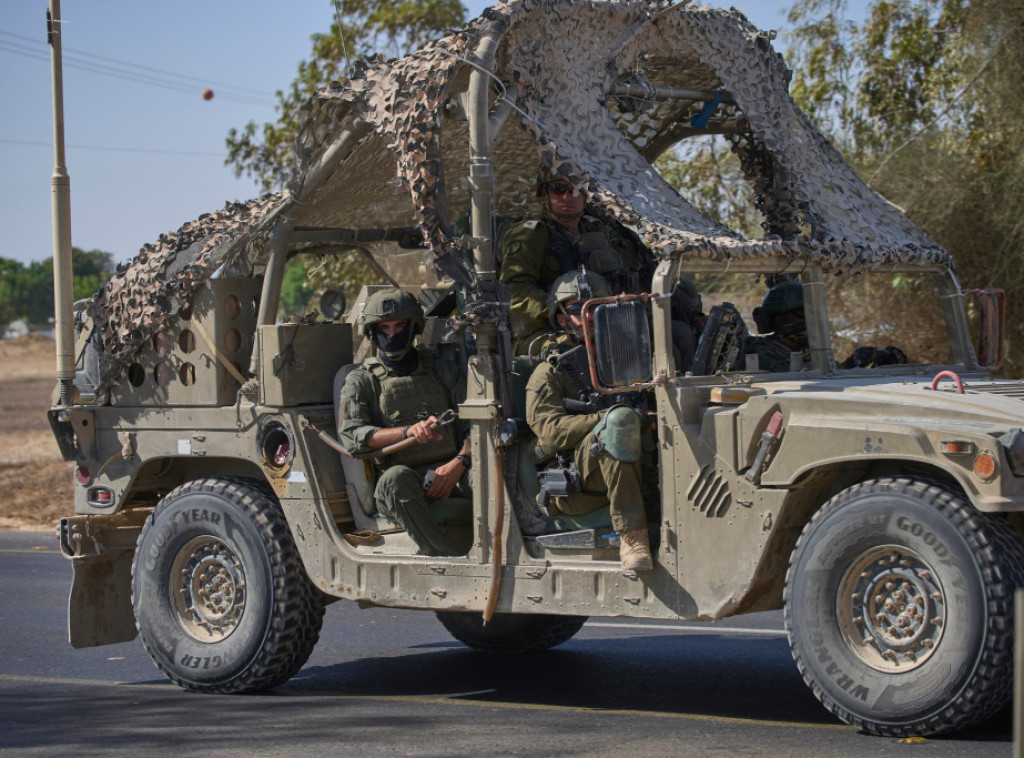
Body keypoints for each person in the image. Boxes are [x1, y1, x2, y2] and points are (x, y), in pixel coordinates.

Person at [525, 270, 654, 571]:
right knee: (619, 421)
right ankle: (632, 537)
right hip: (577, 481)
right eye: (577, 310)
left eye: (596, 307)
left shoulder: (632, 359)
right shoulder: (549, 372)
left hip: (632, 465)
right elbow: (552, 434)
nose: (590, 316)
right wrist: (606, 418)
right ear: (561, 319)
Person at [337, 288, 472, 556]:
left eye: (399, 326)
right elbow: (352, 436)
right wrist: (408, 432)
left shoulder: (439, 369)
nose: (391, 334)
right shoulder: (362, 380)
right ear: (372, 332)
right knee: (394, 480)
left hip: (455, 469)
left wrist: (461, 462)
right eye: (383, 327)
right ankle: (446, 559)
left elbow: (475, 425)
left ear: (413, 327)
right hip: (403, 483)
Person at [499, 167, 656, 355]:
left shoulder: (596, 230)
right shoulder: (530, 234)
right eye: (558, 189)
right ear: (544, 193)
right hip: (543, 331)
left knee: (669, 335)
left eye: (576, 190)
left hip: (596, 321)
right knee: (580, 349)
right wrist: (562, 311)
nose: (567, 197)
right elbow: (513, 290)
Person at [746, 280, 908, 372]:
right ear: (779, 319)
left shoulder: (810, 351)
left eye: (812, 314)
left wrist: (861, 363)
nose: (809, 321)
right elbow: (801, 383)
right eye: (801, 314)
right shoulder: (762, 356)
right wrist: (850, 366)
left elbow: (830, 377)